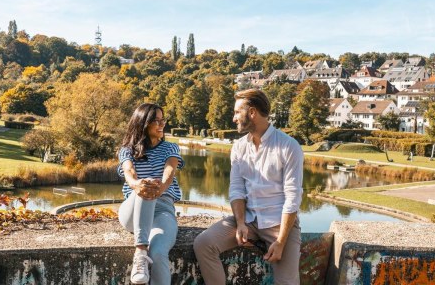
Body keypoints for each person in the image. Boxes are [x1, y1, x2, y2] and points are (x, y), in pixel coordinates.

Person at [193, 89, 304, 285]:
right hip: (249, 219)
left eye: (237, 112)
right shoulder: (239, 147)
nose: (234, 118)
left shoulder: (289, 146)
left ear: (251, 112)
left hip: (279, 223)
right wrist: (241, 222)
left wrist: (281, 241)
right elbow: (236, 189)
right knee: (203, 244)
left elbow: (292, 197)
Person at [117, 103, 184, 284]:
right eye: (156, 121)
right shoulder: (127, 150)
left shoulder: (170, 148)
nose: (162, 124)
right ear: (143, 123)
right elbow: (129, 172)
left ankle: (146, 253)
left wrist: (159, 189)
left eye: (163, 120)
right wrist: (137, 185)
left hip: (163, 211)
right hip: (133, 212)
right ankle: (140, 250)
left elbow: (169, 171)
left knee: (159, 253)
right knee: (144, 185)